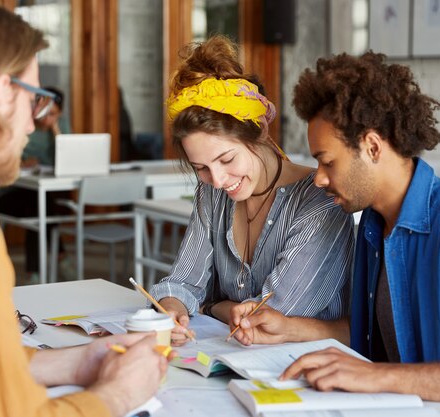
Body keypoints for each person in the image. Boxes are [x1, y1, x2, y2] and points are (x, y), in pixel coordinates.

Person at [229, 51, 440, 417]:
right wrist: (289, 329)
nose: (318, 178)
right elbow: (379, 337)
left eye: (328, 161)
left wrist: (378, 377)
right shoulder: (373, 227)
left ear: (373, 147)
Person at [0, 2, 167, 417]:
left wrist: (74, 361)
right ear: (2, 92)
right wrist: (119, 393)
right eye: (35, 99)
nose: (33, 124)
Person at [148, 35, 354, 346]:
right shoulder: (212, 193)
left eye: (227, 159)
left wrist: (211, 305)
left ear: (259, 131)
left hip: (307, 367)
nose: (217, 180)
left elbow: (267, 318)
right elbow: (182, 282)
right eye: (200, 168)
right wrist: (173, 310)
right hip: (240, 359)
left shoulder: (320, 203)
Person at [0, 86, 74, 283]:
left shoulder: (60, 125)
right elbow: (4, 158)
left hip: (46, 192)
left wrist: (55, 128)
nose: (46, 117)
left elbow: (69, 158)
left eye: (53, 114)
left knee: (42, 207)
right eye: (44, 112)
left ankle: (36, 272)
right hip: (14, 192)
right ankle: (60, 256)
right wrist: (21, 163)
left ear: (59, 113)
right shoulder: (25, 124)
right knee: (40, 207)